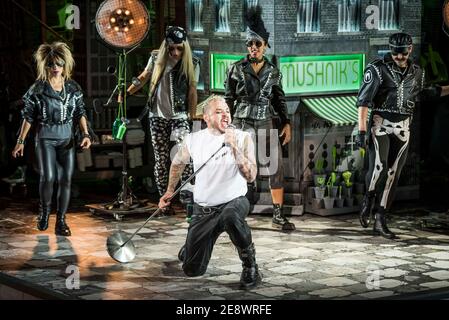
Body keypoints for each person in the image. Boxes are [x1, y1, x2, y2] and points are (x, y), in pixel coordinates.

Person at [158, 95, 261, 289]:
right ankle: (195, 244)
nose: (226, 116)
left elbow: (251, 176)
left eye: (228, 112)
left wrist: (233, 147)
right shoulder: (194, 139)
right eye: (219, 112)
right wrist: (169, 191)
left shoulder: (242, 138)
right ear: (206, 118)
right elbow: (178, 163)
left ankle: (250, 265)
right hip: (204, 209)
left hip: (234, 202)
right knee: (192, 270)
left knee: (230, 217)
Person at [356, 32, 449, 239]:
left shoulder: (417, 72)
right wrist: (362, 131)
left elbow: (424, 93)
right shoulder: (377, 69)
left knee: (392, 175)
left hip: (403, 128)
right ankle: (368, 198)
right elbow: (363, 101)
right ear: (390, 50)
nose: (399, 57)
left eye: (403, 53)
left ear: (410, 49)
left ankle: (381, 219)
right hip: (380, 124)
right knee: (378, 167)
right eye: (395, 53)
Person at [224, 5, 295, 231]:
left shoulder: (274, 71)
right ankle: (237, 213)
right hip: (242, 122)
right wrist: (228, 126)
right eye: (250, 44)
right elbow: (228, 99)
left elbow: (279, 99)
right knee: (240, 167)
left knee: (275, 166)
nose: (253, 47)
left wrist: (287, 123)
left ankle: (277, 215)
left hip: (265, 121)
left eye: (257, 44)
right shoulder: (235, 69)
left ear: (265, 46)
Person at [12, 42, 92, 236]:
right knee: (48, 177)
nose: (55, 67)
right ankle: (45, 212)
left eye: (59, 63)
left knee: (66, 180)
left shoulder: (73, 88)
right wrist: (20, 141)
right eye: (51, 64)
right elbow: (28, 116)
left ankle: (61, 221)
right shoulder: (38, 89)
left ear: (65, 65)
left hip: (67, 140)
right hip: (46, 138)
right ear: (46, 66)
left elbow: (80, 112)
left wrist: (86, 134)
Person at [127, 26, 199, 206]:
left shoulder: (193, 62)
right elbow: (143, 77)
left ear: (185, 47)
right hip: (156, 116)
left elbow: (192, 91)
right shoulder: (156, 59)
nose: (175, 52)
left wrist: (191, 115)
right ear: (166, 46)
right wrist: (126, 92)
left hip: (179, 115)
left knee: (184, 154)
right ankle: (164, 198)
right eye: (171, 48)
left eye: (179, 48)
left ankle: (187, 193)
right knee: (160, 158)